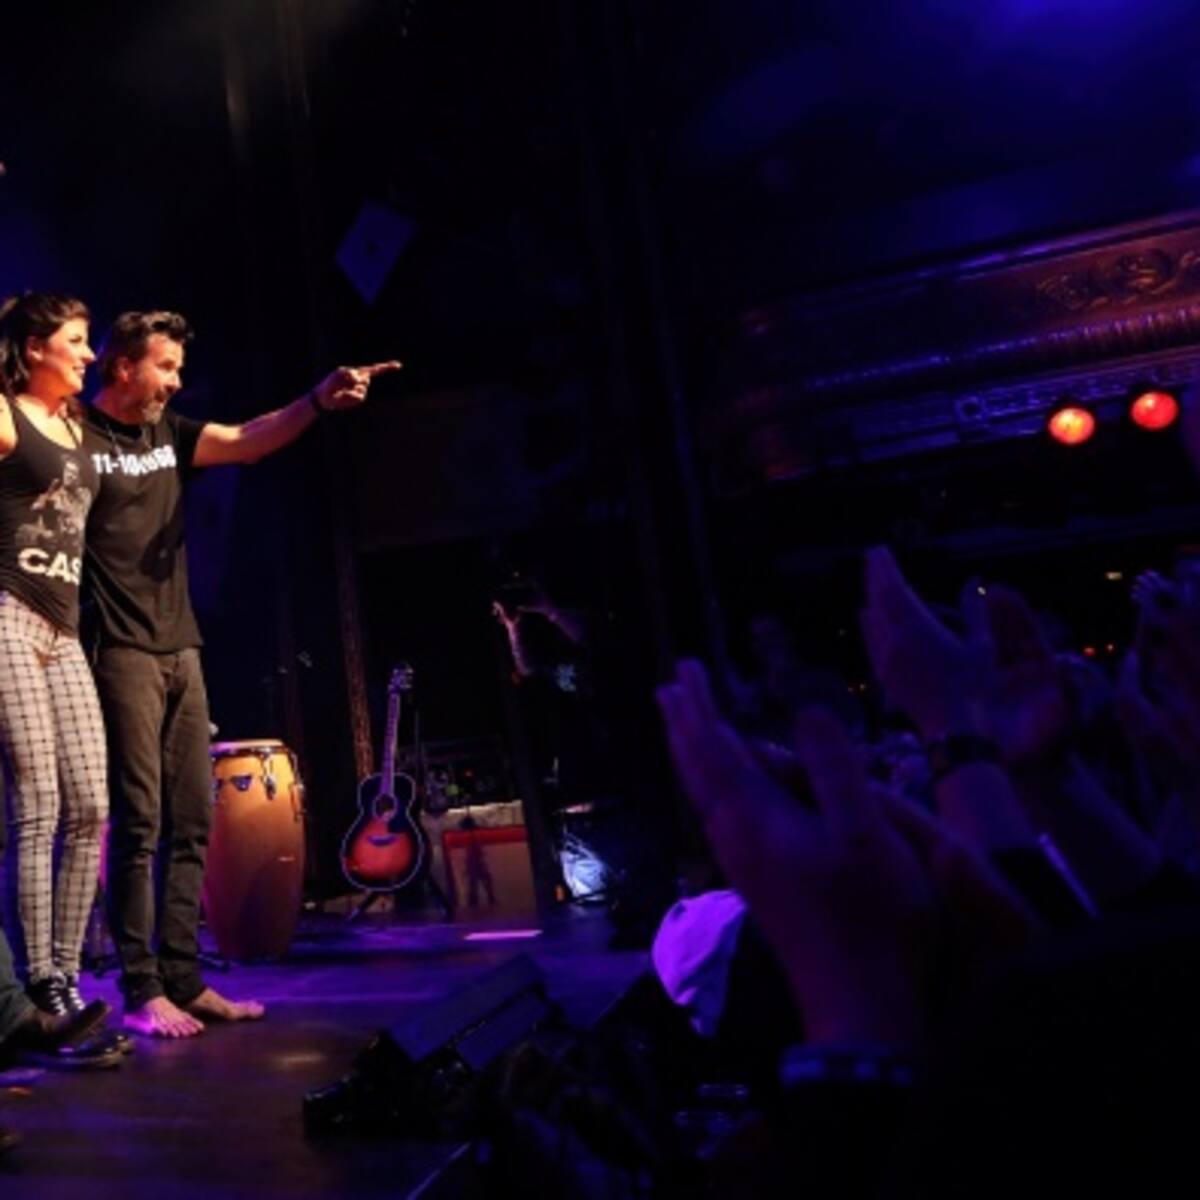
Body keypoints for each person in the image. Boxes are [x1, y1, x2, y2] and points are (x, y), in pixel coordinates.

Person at [83, 309, 400, 1038]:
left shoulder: (168, 433)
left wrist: (316, 402)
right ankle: (140, 989)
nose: (177, 381)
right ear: (123, 366)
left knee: (193, 819)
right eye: (165, 367)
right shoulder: (77, 436)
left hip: (180, 647)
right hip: (118, 649)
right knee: (139, 820)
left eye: (179, 368)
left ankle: (183, 978)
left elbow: (249, 440)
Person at [0, 293, 111, 1020]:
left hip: (64, 630)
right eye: (75, 340)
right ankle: (36, 980)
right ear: (35, 347)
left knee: (91, 806)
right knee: (36, 804)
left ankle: (66, 974)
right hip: (8, 613)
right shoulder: (6, 414)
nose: (89, 354)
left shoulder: (76, 424)